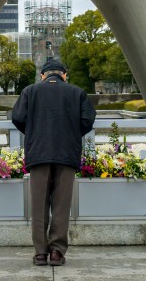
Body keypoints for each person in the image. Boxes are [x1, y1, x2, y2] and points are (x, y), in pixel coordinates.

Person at [11, 59, 96, 267]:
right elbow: (87, 120)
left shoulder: (30, 91)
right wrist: (72, 134)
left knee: (39, 205)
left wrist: (34, 132)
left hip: (38, 153)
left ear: (43, 75)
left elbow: (18, 117)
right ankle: (57, 252)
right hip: (67, 154)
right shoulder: (77, 93)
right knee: (61, 205)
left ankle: (40, 253)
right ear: (64, 75)